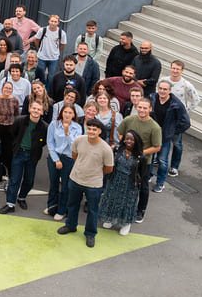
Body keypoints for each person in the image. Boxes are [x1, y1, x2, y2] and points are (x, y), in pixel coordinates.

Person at [56, 118, 114, 248]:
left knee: (93, 210)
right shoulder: (79, 140)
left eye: (95, 129)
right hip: (75, 179)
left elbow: (108, 168)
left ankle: (90, 233)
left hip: (94, 184)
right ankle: (70, 226)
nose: (91, 131)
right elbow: (75, 155)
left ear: (99, 131)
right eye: (89, 128)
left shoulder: (106, 149)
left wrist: (94, 173)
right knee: (72, 205)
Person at [116, 97, 162, 224]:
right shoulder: (129, 120)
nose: (142, 110)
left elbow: (157, 147)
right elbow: (120, 134)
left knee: (142, 186)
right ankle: (120, 207)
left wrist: (140, 153)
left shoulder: (155, 127)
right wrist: (126, 146)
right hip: (126, 158)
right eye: (140, 107)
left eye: (145, 108)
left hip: (143, 162)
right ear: (136, 107)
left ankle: (140, 210)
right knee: (123, 183)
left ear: (150, 109)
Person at [99, 130, 148, 236]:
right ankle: (110, 219)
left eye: (131, 139)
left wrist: (136, 183)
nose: (129, 141)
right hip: (116, 179)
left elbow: (142, 173)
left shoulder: (141, 157)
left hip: (130, 183)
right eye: (127, 139)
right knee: (112, 199)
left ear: (136, 141)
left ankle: (126, 224)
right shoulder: (118, 150)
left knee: (127, 204)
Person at [148, 80, 190, 192]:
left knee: (162, 161)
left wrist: (172, 131)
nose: (162, 91)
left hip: (165, 137)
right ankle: (148, 176)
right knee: (150, 158)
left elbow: (185, 122)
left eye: (165, 89)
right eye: (160, 88)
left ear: (170, 91)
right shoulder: (152, 98)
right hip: (151, 134)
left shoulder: (176, 104)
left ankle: (160, 183)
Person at [161, 59, 201, 177]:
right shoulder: (163, 80)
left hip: (176, 119)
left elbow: (196, 100)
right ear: (170, 68)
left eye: (177, 69)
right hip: (163, 116)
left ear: (182, 70)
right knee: (160, 139)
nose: (175, 71)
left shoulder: (186, 85)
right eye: (173, 68)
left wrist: (184, 112)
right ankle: (159, 159)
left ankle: (174, 166)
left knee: (177, 143)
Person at [44, 103, 82, 221]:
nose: (67, 115)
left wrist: (67, 133)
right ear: (61, 113)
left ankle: (62, 210)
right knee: (54, 183)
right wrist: (56, 159)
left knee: (65, 186)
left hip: (69, 159)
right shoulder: (54, 124)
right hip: (55, 157)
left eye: (70, 113)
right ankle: (51, 206)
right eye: (65, 112)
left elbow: (74, 146)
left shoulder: (77, 127)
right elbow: (50, 143)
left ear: (74, 114)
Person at [25, 15, 66, 86]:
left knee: (51, 77)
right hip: (42, 57)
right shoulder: (43, 30)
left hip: (54, 58)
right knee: (40, 76)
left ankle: (47, 92)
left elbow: (63, 45)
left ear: (58, 23)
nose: (53, 23)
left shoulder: (61, 33)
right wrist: (40, 49)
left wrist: (56, 51)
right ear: (49, 21)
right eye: (52, 21)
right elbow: (37, 41)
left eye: (55, 21)